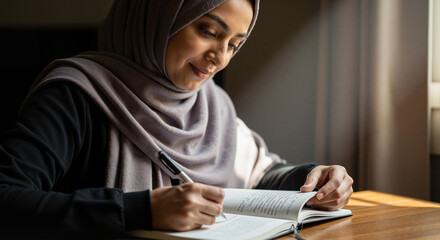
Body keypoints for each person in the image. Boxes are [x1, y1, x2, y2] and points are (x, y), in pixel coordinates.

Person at [0, 0, 353, 237]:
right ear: (162, 15)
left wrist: (314, 179)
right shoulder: (77, 95)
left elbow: (260, 174)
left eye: (234, 44)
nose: (219, 58)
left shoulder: (210, 103)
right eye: (209, 32)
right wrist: (140, 210)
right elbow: (7, 199)